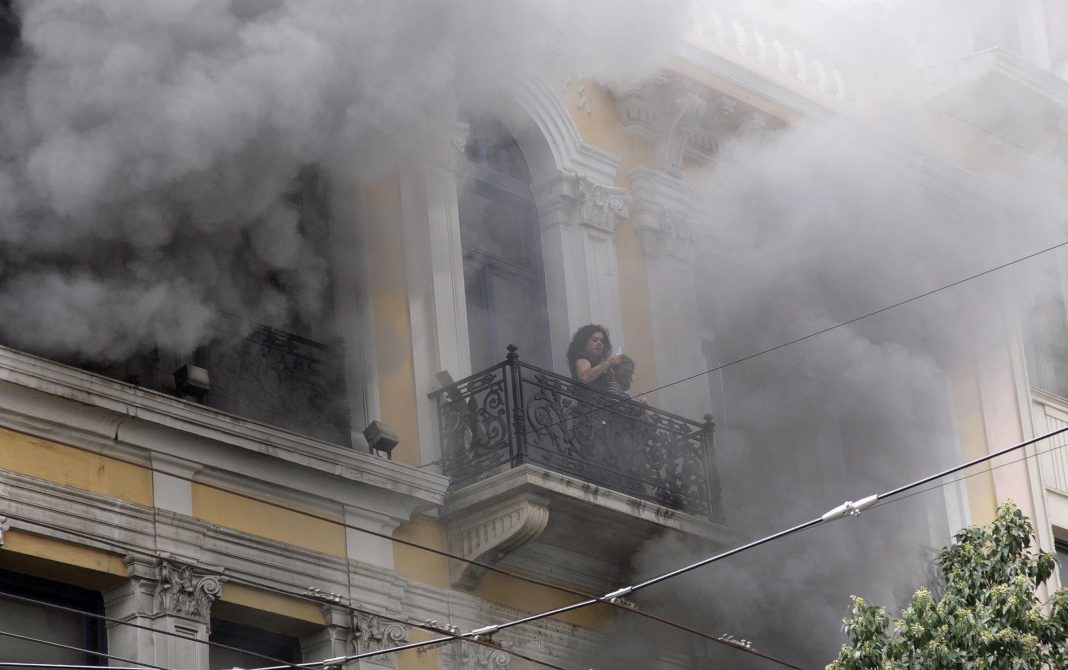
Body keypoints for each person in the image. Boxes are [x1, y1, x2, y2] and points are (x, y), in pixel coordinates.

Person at [566, 324, 622, 390]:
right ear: (584, 342)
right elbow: (584, 377)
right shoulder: (582, 358)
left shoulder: (599, 362)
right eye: (595, 340)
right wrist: (608, 362)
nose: (599, 343)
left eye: (602, 341)